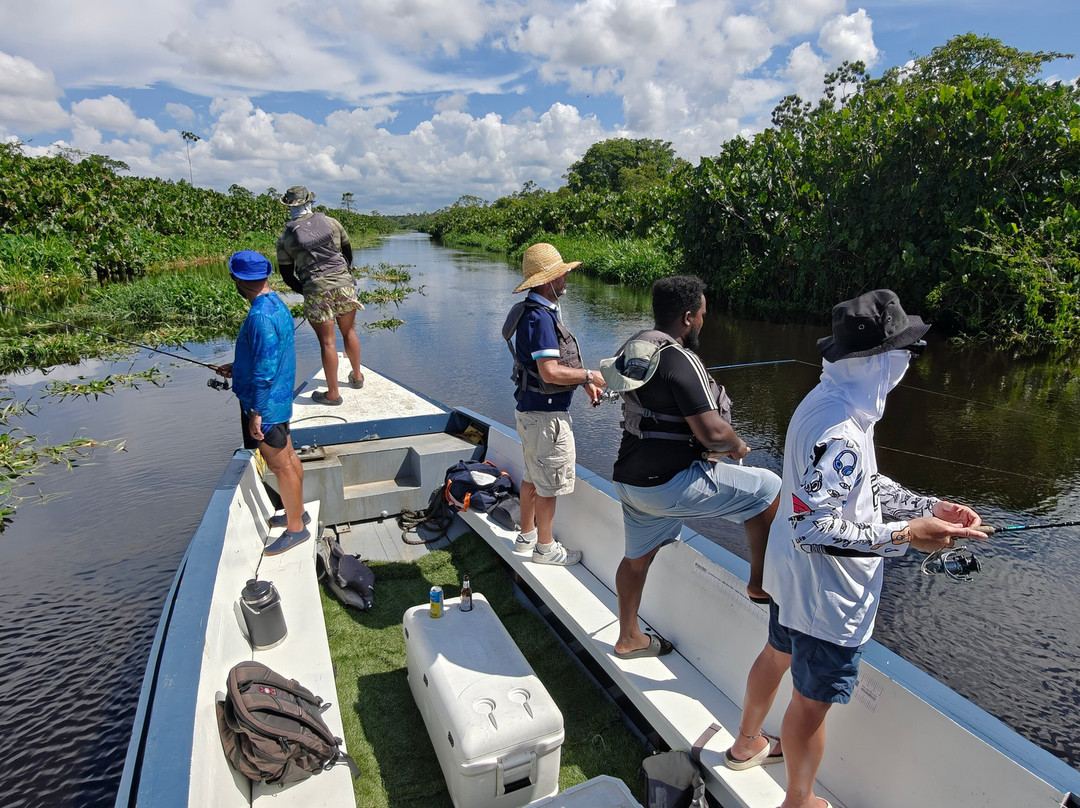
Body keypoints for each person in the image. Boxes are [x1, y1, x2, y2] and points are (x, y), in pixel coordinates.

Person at [724, 289, 988, 808]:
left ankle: (746, 742)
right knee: (810, 704)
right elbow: (811, 528)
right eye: (903, 352)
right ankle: (799, 800)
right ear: (880, 362)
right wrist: (907, 533)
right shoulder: (844, 428)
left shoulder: (828, 402)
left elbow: (857, 485)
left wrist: (930, 505)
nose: (908, 362)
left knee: (776, 653)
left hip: (790, 580)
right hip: (826, 599)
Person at [606, 275, 781, 658]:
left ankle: (629, 637)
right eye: (702, 314)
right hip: (667, 485)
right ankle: (759, 584)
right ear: (687, 318)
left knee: (635, 560)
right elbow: (713, 434)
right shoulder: (679, 359)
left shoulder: (636, 348)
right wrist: (736, 445)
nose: (704, 321)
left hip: (629, 481)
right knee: (769, 489)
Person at [501, 242, 606, 566]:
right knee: (547, 486)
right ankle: (546, 549)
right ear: (549, 282)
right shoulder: (542, 319)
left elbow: (545, 371)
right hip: (546, 419)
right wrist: (589, 374)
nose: (565, 281)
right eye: (562, 275)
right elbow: (549, 371)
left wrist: (583, 382)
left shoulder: (530, 312)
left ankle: (527, 536)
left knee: (533, 476)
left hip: (530, 413)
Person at [215, 250, 310, 556]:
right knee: (290, 458)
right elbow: (267, 356)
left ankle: (296, 529)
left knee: (280, 466)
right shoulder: (277, 304)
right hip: (280, 400)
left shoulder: (258, 316)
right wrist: (237, 367)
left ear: (239, 280)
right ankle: (300, 512)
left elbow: (266, 369)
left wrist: (255, 412)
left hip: (266, 405)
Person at [276, 185, 364, 405]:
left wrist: (307, 290)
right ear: (310, 202)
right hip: (343, 283)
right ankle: (357, 376)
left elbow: (287, 276)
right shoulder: (332, 223)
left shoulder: (285, 237)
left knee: (327, 343)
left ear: (288, 205)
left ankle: (333, 394)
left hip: (315, 288)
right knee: (349, 331)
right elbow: (347, 254)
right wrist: (345, 276)